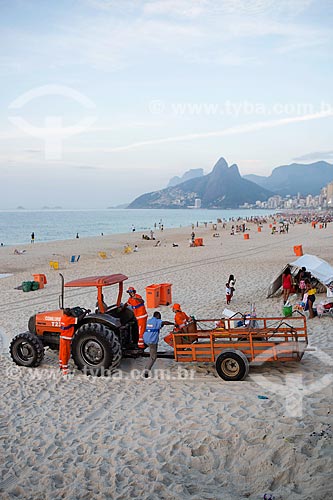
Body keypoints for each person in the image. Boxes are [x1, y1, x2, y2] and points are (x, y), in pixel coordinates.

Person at [143, 311, 174, 377]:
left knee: (150, 351)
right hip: (152, 341)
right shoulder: (157, 321)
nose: (160, 318)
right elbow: (165, 322)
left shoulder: (149, 321)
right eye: (160, 317)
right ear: (158, 316)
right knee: (153, 357)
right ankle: (146, 371)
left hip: (145, 339)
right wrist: (173, 324)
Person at [59, 308, 77, 375]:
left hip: (62, 337)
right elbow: (78, 320)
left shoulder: (63, 318)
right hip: (66, 338)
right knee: (66, 354)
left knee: (61, 353)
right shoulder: (69, 319)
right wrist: (85, 312)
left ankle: (61, 365)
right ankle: (65, 370)